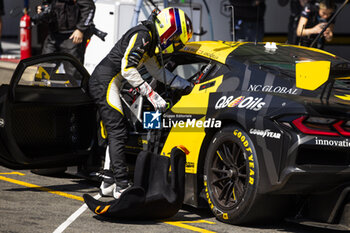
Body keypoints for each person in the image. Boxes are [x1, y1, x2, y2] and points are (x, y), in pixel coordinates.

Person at [88, 7, 193, 199]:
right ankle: (121, 185)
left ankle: (108, 184)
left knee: (119, 131)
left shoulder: (150, 38)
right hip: (106, 81)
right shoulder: (143, 35)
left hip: (111, 81)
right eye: (177, 40)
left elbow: (158, 72)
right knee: (118, 131)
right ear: (170, 31)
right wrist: (152, 94)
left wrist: (185, 84)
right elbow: (128, 69)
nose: (176, 45)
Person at [35, 0, 95, 66]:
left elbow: (89, 8)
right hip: (53, 35)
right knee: (44, 67)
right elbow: (47, 5)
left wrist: (80, 29)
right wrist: (42, 9)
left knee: (73, 71)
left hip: (72, 36)